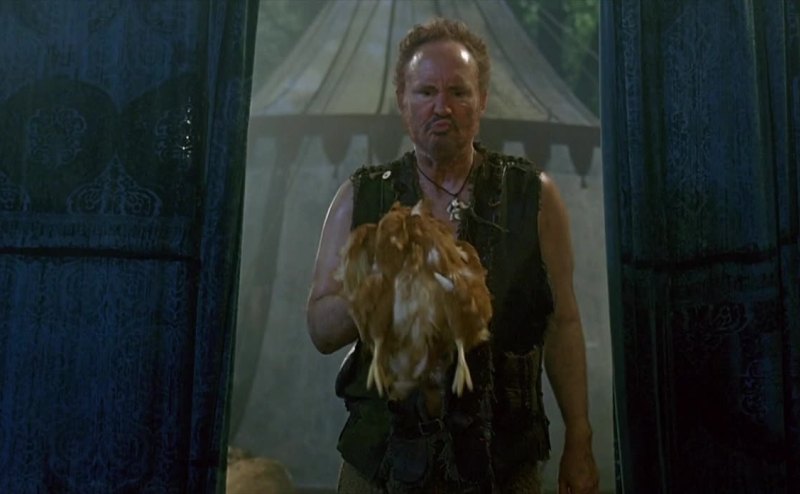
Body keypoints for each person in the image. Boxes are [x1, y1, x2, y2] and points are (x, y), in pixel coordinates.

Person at [307, 17, 599, 494]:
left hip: (504, 460)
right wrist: (380, 282)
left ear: (481, 100)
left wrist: (580, 438)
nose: (441, 106)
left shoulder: (532, 196)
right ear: (402, 100)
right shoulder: (360, 199)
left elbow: (562, 322)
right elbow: (320, 330)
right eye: (425, 91)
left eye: (458, 92)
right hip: (381, 459)